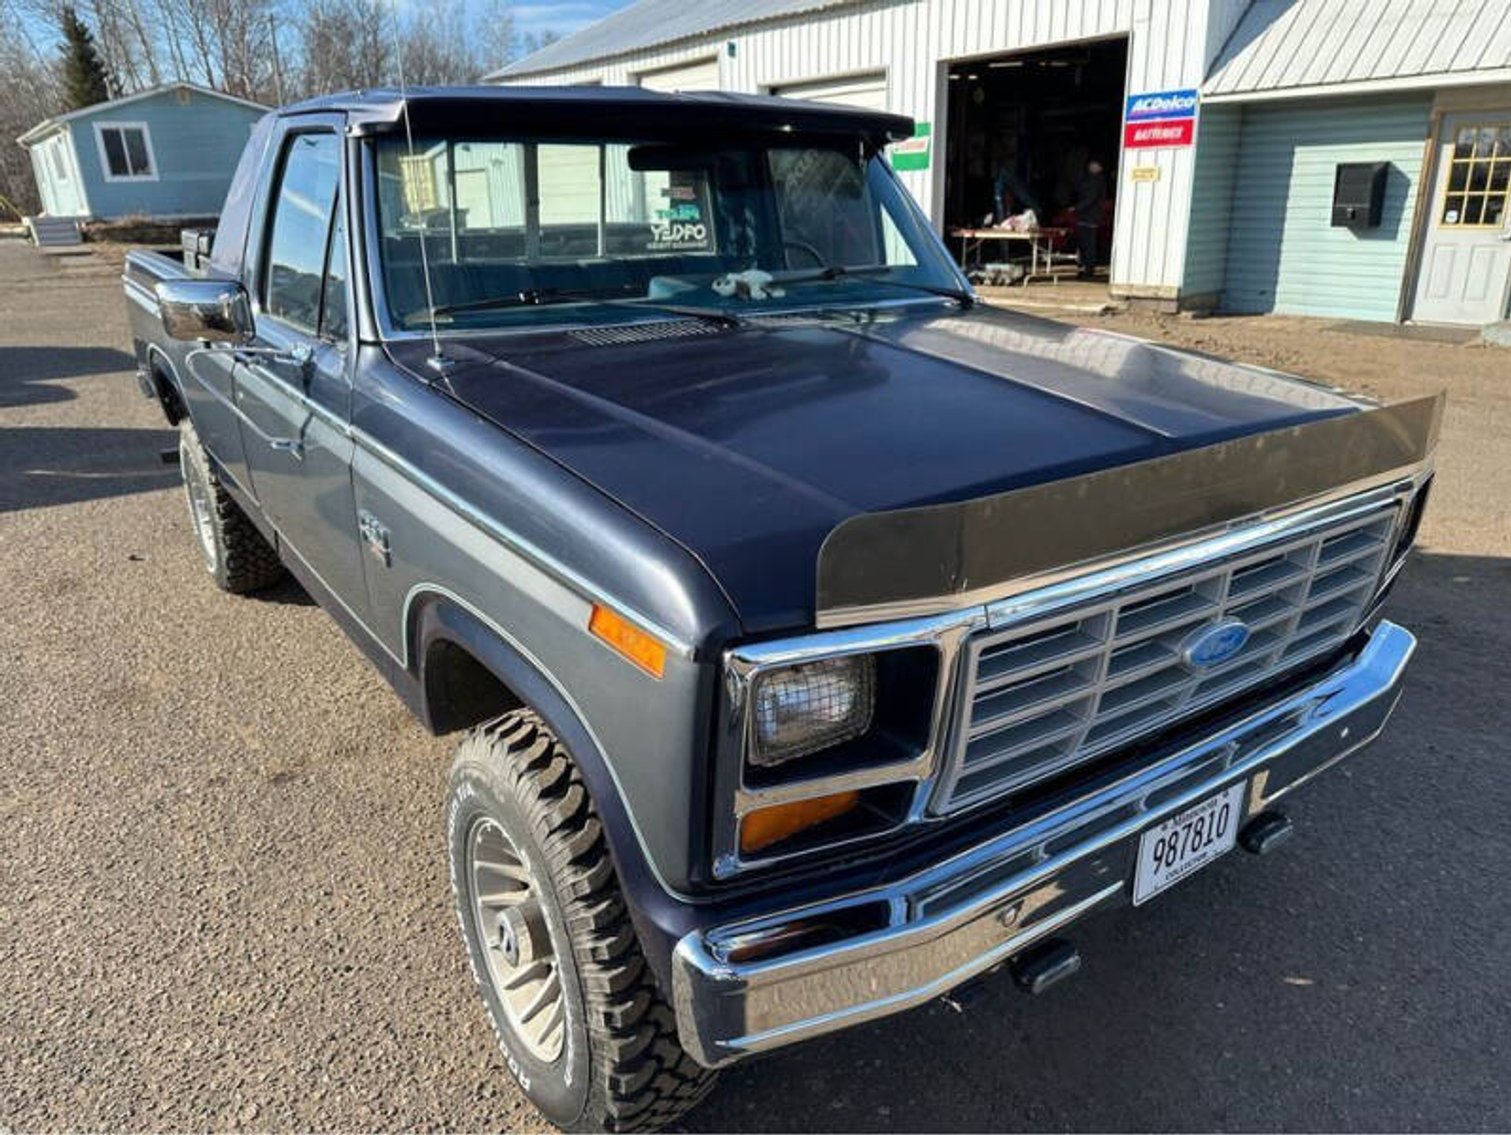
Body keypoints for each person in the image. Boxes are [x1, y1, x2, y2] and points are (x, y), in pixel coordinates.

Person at [1074, 158, 1106, 279]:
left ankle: (1089, 269)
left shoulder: (1097, 181)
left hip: (1090, 217)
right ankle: (1083, 268)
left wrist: (1077, 208)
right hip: (1084, 217)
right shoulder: (1087, 179)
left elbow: (1090, 199)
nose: (1091, 166)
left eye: (1095, 164)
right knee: (1083, 244)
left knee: (1088, 244)